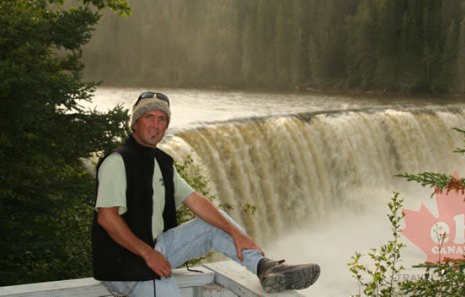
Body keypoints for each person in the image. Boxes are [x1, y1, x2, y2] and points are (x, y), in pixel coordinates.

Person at [92, 91, 320, 296]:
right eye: (148, 117)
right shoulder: (118, 161)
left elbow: (195, 200)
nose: (155, 125)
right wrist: (148, 254)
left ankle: (265, 267)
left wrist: (235, 232)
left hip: (155, 247)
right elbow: (107, 217)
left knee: (214, 224)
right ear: (135, 123)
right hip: (124, 264)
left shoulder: (160, 162)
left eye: (161, 119)